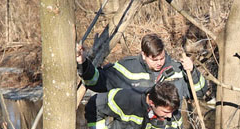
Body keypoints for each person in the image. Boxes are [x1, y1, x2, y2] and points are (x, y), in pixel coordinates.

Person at [77, 33, 209, 101]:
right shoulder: (126, 68)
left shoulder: (177, 69)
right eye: (154, 60)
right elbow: (96, 82)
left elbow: (200, 92)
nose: (159, 63)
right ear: (144, 55)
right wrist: (83, 63)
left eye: (162, 58)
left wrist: (192, 72)